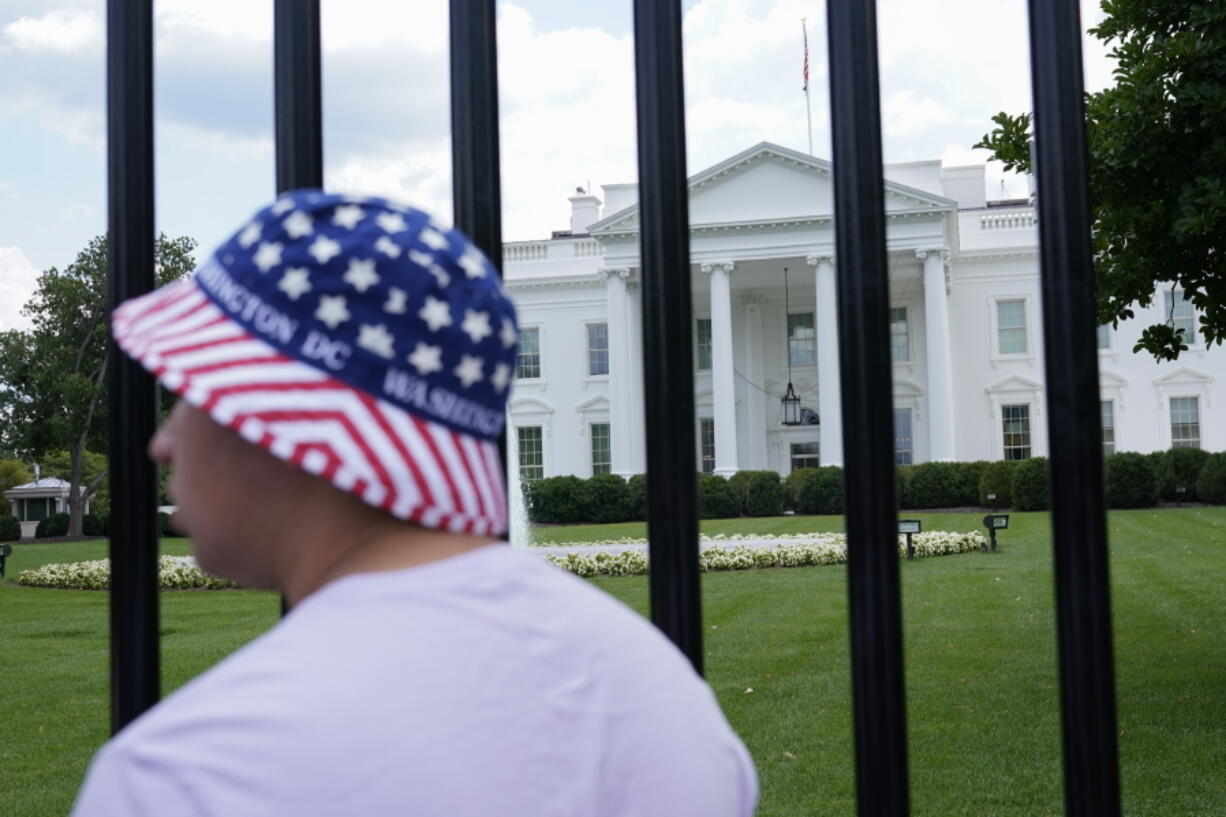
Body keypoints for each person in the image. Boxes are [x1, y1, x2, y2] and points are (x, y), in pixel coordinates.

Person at [71, 191, 758, 816]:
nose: (163, 441)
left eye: (190, 392)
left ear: (284, 416)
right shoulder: (670, 703)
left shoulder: (182, 775)